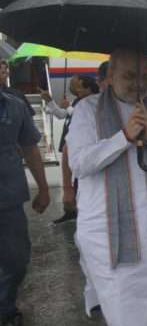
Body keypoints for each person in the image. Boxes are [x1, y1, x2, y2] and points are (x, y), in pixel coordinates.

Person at [67, 49, 147, 326]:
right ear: (109, 77)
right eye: (129, 75)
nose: (139, 84)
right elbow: (79, 163)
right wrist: (123, 137)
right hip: (109, 233)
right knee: (122, 308)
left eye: (145, 76)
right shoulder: (88, 109)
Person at [0, 89, 50, 326]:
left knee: (16, 260)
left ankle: (6, 307)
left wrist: (44, 188)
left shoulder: (15, 106)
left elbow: (30, 148)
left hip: (8, 198)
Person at [41, 75, 99, 225]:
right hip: (70, 146)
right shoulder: (77, 101)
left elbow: (82, 115)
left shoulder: (93, 101)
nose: (73, 87)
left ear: (88, 88)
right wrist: (50, 101)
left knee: (81, 181)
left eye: (77, 85)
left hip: (82, 148)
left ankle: (83, 213)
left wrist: (68, 107)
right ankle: (71, 210)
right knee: (70, 182)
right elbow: (61, 115)